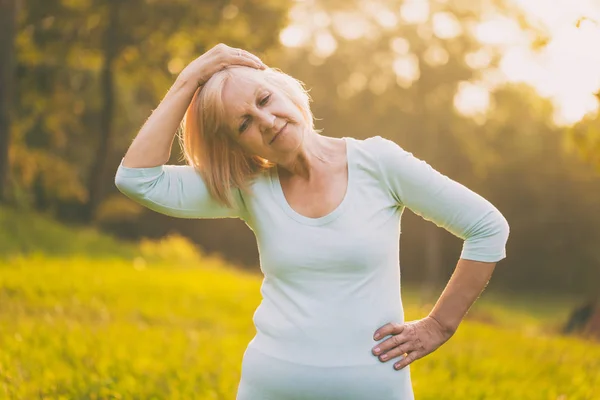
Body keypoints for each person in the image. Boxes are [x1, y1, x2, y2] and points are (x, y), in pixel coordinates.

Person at [115, 43, 510, 399]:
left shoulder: (377, 164)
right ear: (237, 145)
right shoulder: (248, 188)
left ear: (285, 89)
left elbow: (487, 227)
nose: (266, 121)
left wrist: (439, 325)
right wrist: (190, 79)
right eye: (244, 124)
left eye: (265, 100)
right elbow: (137, 180)